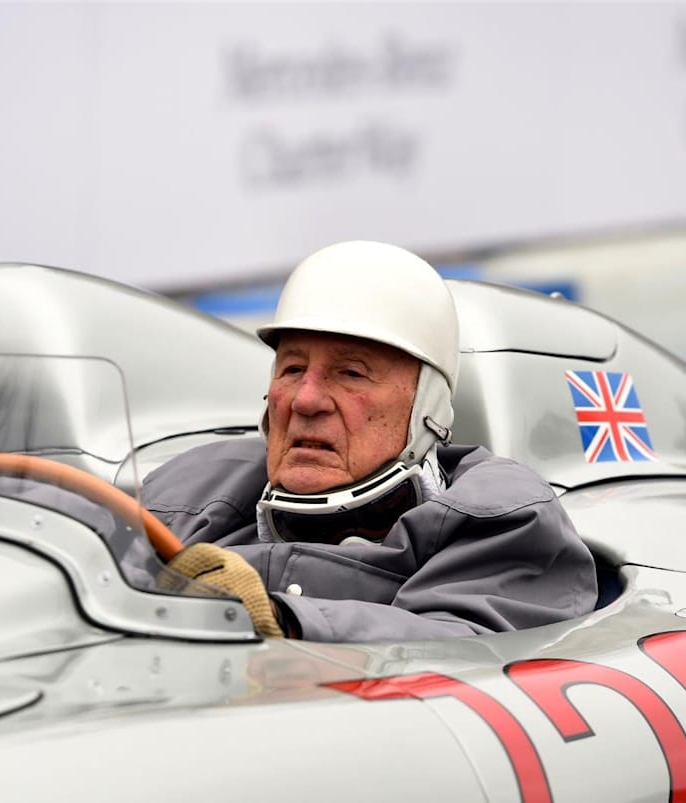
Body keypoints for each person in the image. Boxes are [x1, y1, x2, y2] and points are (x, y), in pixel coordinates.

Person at [143, 240, 598, 641]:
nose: (305, 400)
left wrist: (279, 619)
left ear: (427, 410)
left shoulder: (501, 520)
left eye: (350, 373)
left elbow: (465, 646)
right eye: (293, 369)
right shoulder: (184, 499)